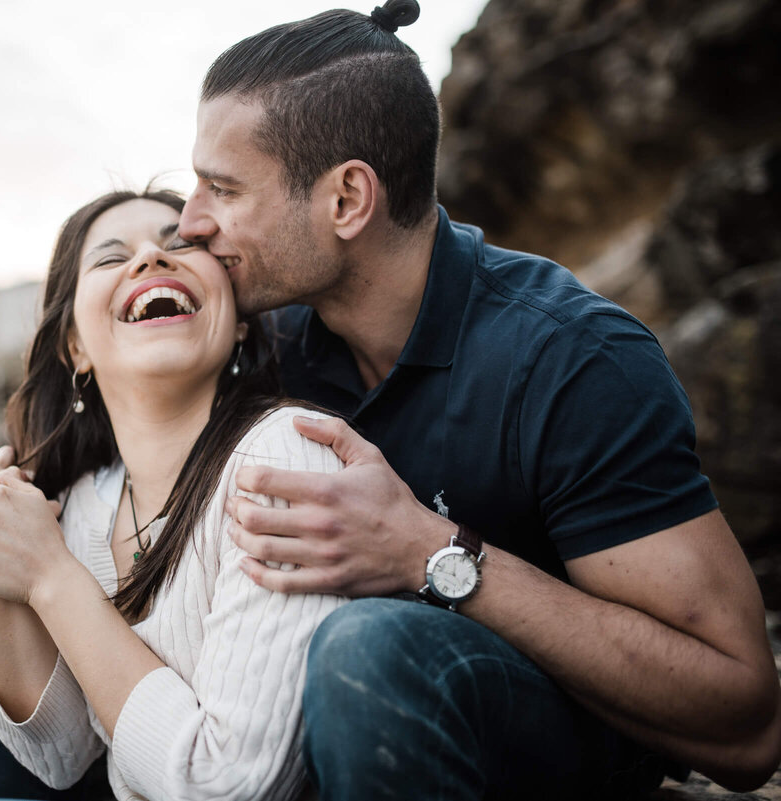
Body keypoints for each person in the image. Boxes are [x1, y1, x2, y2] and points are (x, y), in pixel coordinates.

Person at [169, 1, 781, 799]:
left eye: (223, 189)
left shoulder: (570, 360)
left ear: (348, 200)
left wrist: (430, 552)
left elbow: (744, 720)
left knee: (369, 651)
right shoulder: (271, 340)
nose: (191, 221)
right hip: (292, 732)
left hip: (544, 743)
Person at [0, 188, 346, 801]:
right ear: (75, 347)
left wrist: (49, 576)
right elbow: (58, 759)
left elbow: (224, 786)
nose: (151, 258)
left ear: (236, 323)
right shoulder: (78, 506)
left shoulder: (280, 458)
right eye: (109, 258)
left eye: (181, 243)